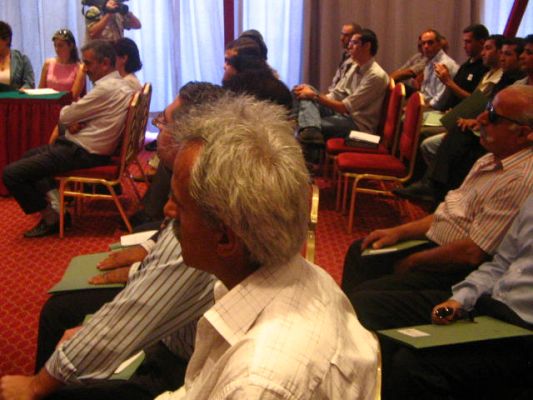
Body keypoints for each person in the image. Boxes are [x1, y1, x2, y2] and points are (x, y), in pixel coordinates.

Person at [155, 94, 379, 399]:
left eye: (178, 203)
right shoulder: (304, 275)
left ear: (225, 238)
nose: (167, 210)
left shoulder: (258, 383)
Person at [342, 85, 533, 296]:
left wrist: (413, 261)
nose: (481, 118)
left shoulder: (520, 180)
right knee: (359, 252)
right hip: (436, 244)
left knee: (365, 297)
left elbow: (472, 253)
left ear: (523, 133)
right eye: (487, 108)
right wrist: (397, 232)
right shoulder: (489, 159)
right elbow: (447, 214)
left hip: (457, 271)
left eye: (494, 116)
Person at [350, 192, 533, 399]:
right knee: (365, 306)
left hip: (523, 329)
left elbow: (473, 253)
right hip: (488, 306)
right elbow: (500, 264)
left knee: (412, 366)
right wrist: (459, 300)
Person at [2, 40, 135, 238]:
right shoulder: (121, 85)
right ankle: (57, 209)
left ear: (105, 63)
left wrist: (75, 116)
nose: (85, 69)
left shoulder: (105, 89)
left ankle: (52, 217)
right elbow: (84, 115)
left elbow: (65, 116)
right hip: (88, 147)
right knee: (31, 156)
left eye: (88, 63)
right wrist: (80, 118)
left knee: (11, 173)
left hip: (83, 152)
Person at [396, 36, 526, 204]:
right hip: (476, 121)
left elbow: (487, 107)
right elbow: (483, 105)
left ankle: (433, 187)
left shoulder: (510, 81)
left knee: (439, 135)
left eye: (507, 54)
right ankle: (427, 184)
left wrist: (474, 117)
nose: (502, 58)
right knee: (444, 130)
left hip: (496, 131)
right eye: (502, 53)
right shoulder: (491, 73)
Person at [294, 28, 389, 161]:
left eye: (354, 43)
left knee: (306, 123)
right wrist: (311, 94)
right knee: (305, 91)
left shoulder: (376, 76)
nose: (349, 46)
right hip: (342, 115)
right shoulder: (355, 66)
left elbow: (344, 107)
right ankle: (311, 130)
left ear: (367, 46)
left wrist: (315, 96)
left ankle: (310, 137)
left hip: (357, 125)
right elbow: (336, 94)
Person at [38, 29, 85, 99]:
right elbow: (40, 91)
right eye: (55, 46)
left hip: (68, 104)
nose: (57, 49)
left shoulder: (80, 68)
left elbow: (73, 96)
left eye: (60, 46)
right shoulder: (48, 64)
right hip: (49, 103)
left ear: (71, 46)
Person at [419, 29, 459, 111]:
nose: (426, 46)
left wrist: (419, 109)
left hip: (439, 111)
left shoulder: (445, 64)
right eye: (423, 43)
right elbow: (425, 93)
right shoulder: (430, 61)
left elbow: (439, 102)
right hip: (427, 105)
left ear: (439, 44)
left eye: (430, 43)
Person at [0, 20, 34, 89]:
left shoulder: (22, 60)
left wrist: (24, 89)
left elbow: (29, 83)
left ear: (7, 40)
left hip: (16, 95)